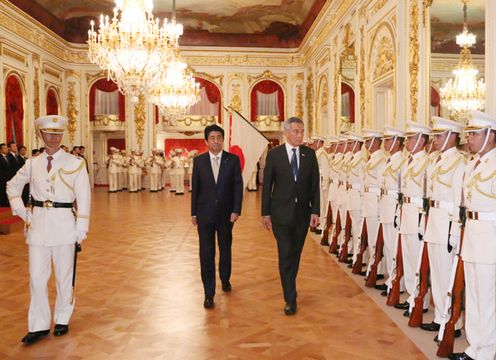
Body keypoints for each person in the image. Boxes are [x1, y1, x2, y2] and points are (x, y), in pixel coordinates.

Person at [6, 115, 91, 345]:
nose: (53, 138)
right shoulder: (32, 163)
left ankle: (62, 318)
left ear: (62, 135)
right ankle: (39, 325)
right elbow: (12, 186)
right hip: (37, 227)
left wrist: (81, 227)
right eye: (48, 133)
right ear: (40, 135)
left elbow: (84, 195)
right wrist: (20, 210)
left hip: (65, 225)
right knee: (36, 279)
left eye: (57, 133)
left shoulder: (75, 163)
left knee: (64, 277)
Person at [449, 111, 496, 360]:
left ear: (490, 136)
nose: (470, 139)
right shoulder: (471, 164)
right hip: (472, 235)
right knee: (475, 295)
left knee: (487, 297)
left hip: (490, 237)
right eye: (469, 135)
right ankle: (474, 347)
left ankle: (486, 352)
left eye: (475, 134)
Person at [261, 117, 320, 315]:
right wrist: (265, 213)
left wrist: (315, 211)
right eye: (296, 131)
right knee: (285, 253)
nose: (300, 135)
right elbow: (267, 186)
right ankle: (290, 297)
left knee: (295, 254)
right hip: (280, 215)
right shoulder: (275, 155)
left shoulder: (309, 155)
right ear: (286, 133)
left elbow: (315, 187)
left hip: (303, 214)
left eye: (302, 131)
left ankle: (289, 286)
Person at [420, 117, 465, 338]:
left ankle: (451, 323)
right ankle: (440, 317)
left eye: (439, 136)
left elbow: (459, 200)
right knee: (437, 273)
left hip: (447, 224)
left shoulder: (459, 162)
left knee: (447, 275)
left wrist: (456, 231)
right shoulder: (437, 160)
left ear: (452, 136)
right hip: (435, 221)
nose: (435, 140)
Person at [191, 124, 243, 309]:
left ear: (222, 140)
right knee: (206, 253)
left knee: (225, 248)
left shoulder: (233, 160)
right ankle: (208, 293)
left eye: (218, 137)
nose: (215, 141)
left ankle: (225, 278)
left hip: (226, 215)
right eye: (212, 138)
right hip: (204, 215)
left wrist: (236, 210)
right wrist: (194, 213)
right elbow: (195, 189)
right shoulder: (199, 161)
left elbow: (238, 186)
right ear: (206, 141)